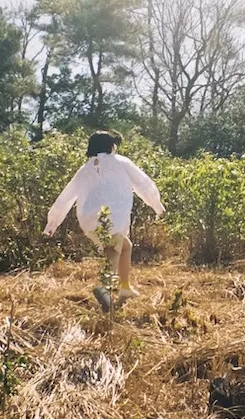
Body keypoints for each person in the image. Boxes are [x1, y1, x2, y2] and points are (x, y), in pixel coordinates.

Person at [43, 131, 165, 309]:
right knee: (114, 248)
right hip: (113, 214)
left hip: (88, 218)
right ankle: (103, 287)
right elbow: (143, 184)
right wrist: (157, 206)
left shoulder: (84, 169)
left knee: (124, 246)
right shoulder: (121, 162)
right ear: (110, 146)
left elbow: (66, 197)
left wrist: (51, 224)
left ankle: (125, 287)